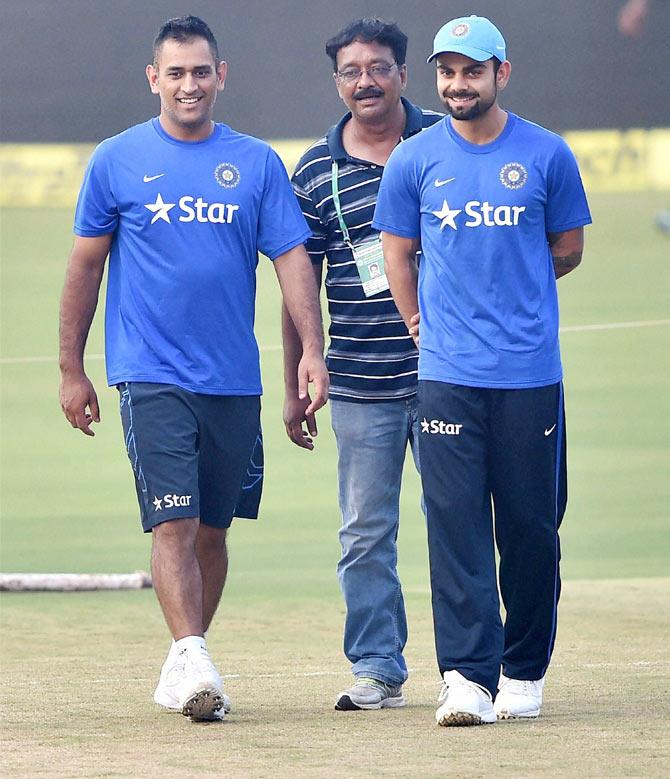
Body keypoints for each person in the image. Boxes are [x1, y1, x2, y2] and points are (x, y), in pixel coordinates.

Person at [59, 15, 328, 722]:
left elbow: (293, 261)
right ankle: (195, 654)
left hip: (234, 379)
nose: (188, 84)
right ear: (154, 79)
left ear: (221, 76)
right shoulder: (116, 160)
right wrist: (71, 368)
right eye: (174, 72)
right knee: (173, 523)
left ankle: (186, 658)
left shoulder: (258, 163)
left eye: (200, 71)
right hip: (149, 374)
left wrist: (312, 356)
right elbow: (85, 266)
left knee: (213, 529)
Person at [373, 15, 591, 726]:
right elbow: (398, 252)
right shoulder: (415, 158)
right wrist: (417, 325)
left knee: (531, 525)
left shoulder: (547, 153)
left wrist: (514, 287)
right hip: (446, 373)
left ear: (502, 72)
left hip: (529, 374)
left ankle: (524, 668)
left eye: (472, 70)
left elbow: (567, 248)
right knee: (454, 522)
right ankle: (468, 674)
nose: (457, 84)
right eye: (447, 72)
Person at [283, 18, 441, 711]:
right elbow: (297, 285)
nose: (365, 81)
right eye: (351, 70)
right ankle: (379, 666)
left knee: (463, 523)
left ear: (403, 75)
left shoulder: (447, 140)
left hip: (452, 378)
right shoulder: (315, 169)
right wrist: (299, 375)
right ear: (337, 80)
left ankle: (474, 666)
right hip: (359, 385)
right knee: (365, 533)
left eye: (379, 67)